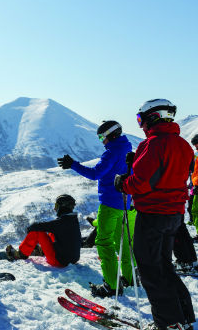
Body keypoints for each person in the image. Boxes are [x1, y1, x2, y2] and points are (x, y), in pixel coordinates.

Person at [114, 99, 195, 330]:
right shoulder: (183, 144)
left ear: (153, 117)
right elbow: (171, 172)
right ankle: (182, 318)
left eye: (140, 119)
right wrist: (137, 164)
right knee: (164, 266)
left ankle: (168, 324)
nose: (140, 125)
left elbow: (141, 183)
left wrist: (123, 182)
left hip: (152, 214)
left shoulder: (153, 144)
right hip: (174, 215)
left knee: (150, 271)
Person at [58, 120, 136, 297]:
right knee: (124, 243)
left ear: (111, 135)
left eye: (102, 136)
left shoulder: (111, 153)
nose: (101, 140)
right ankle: (130, 279)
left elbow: (95, 174)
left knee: (104, 243)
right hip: (127, 203)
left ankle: (112, 286)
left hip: (110, 203)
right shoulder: (128, 147)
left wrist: (73, 165)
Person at [5, 194, 82, 267]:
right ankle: (42, 250)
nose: (55, 209)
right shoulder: (72, 221)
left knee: (37, 232)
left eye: (56, 206)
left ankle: (20, 255)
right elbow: (52, 226)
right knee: (51, 233)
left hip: (59, 262)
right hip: (71, 260)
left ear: (63, 206)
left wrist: (31, 228)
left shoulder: (62, 222)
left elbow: (38, 227)